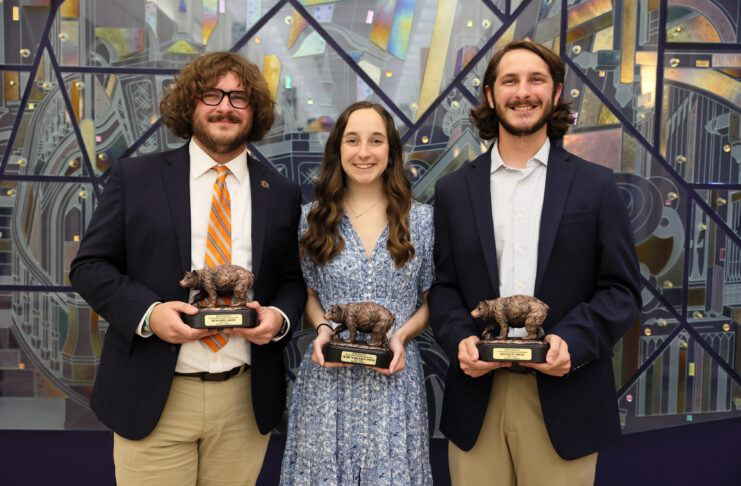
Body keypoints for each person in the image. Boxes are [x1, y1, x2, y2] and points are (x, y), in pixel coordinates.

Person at [69, 52, 306, 485]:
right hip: (155, 396)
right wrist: (149, 314)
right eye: (212, 94)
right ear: (190, 105)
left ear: (255, 112)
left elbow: (290, 279)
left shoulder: (282, 192)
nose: (225, 107)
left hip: (244, 399)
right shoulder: (134, 177)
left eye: (240, 97)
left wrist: (281, 318)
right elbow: (89, 266)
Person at [428, 40, 642, 485]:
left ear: (556, 92)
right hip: (477, 402)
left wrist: (573, 343)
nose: (522, 92)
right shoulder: (452, 192)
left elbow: (621, 290)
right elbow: (444, 288)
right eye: (510, 80)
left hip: (567, 401)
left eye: (536, 80)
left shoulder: (597, 186)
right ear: (490, 95)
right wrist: (461, 341)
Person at [279, 101, 434, 485]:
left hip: (395, 381)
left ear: (392, 152)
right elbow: (309, 294)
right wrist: (323, 331)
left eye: (376, 140)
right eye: (353, 140)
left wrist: (400, 335)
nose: (364, 152)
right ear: (337, 150)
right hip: (327, 384)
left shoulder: (422, 220)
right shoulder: (310, 218)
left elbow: (433, 301)